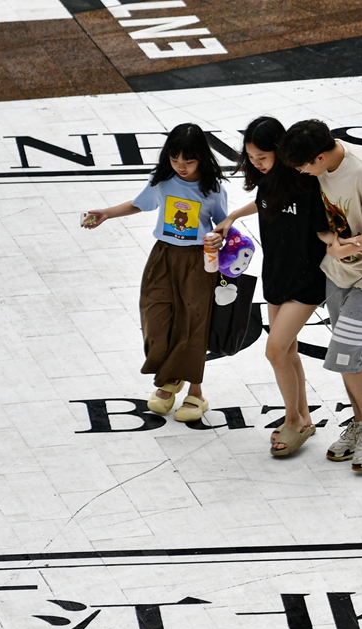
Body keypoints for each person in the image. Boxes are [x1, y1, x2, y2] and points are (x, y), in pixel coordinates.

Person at [82, 123, 228, 423]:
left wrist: (219, 237)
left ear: (201, 157)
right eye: (175, 160)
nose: (181, 167)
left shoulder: (213, 189)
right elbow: (140, 204)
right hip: (163, 255)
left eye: (188, 161)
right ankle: (170, 377)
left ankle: (196, 392)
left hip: (198, 260)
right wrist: (107, 212)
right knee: (154, 315)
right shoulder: (161, 181)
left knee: (194, 322)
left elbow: (223, 226)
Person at [279, 119, 362, 472]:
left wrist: (352, 247)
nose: (303, 173)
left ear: (319, 156)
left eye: (303, 166)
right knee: (346, 355)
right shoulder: (322, 171)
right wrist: (332, 244)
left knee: (347, 353)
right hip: (337, 274)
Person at [214, 117, 329, 457]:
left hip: (308, 280)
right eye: (250, 157)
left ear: (280, 151)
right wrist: (234, 215)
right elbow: (263, 203)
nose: (256, 164)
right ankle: (303, 416)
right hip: (276, 277)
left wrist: (348, 247)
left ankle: (294, 421)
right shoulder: (267, 183)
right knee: (288, 351)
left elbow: (324, 229)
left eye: (262, 157)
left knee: (275, 350)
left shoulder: (306, 183)